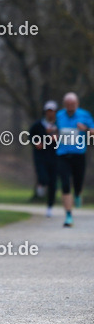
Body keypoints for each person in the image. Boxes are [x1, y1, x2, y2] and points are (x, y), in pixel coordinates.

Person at [55, 92, 93, 228]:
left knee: (78, 183)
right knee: (65, 184)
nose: (70, 107)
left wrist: (86, 129)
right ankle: (68, 215)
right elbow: (55, 130)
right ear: (64, 105)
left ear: (77, 104)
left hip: (78, 155)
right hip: (62, 155)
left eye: (73, 104)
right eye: (68, 105)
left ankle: (77, 194)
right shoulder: (59, 115)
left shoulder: (84, 115)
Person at [29, 101, 59, 217]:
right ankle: (41, 184)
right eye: (48, 111)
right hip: (40, 156)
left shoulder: (58, 125)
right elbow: (30, 136)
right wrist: (36, 142)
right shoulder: (38, 125)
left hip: (55, 156)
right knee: (43, 177)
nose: (50, 113)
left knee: (53, 183)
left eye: (52, 111)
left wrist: (57, 138)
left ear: (55, 112)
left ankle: (50, 207)